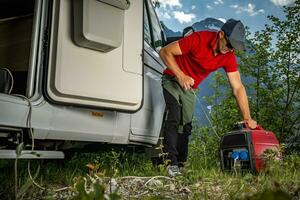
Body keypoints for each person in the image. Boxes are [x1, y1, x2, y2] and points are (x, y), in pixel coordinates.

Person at [159, 19, 257, 177]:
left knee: (186, 124)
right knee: (174, 115)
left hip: (189, 87)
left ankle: (181, 164)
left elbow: (238, 87)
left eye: (234, 47)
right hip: (172, 77)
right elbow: (164, 52)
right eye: (229, 44)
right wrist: (180, 75)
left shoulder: (228, 56)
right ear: (221, 34)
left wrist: (247, 118)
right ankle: (171, 163)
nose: (230, 49)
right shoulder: (199, 39)